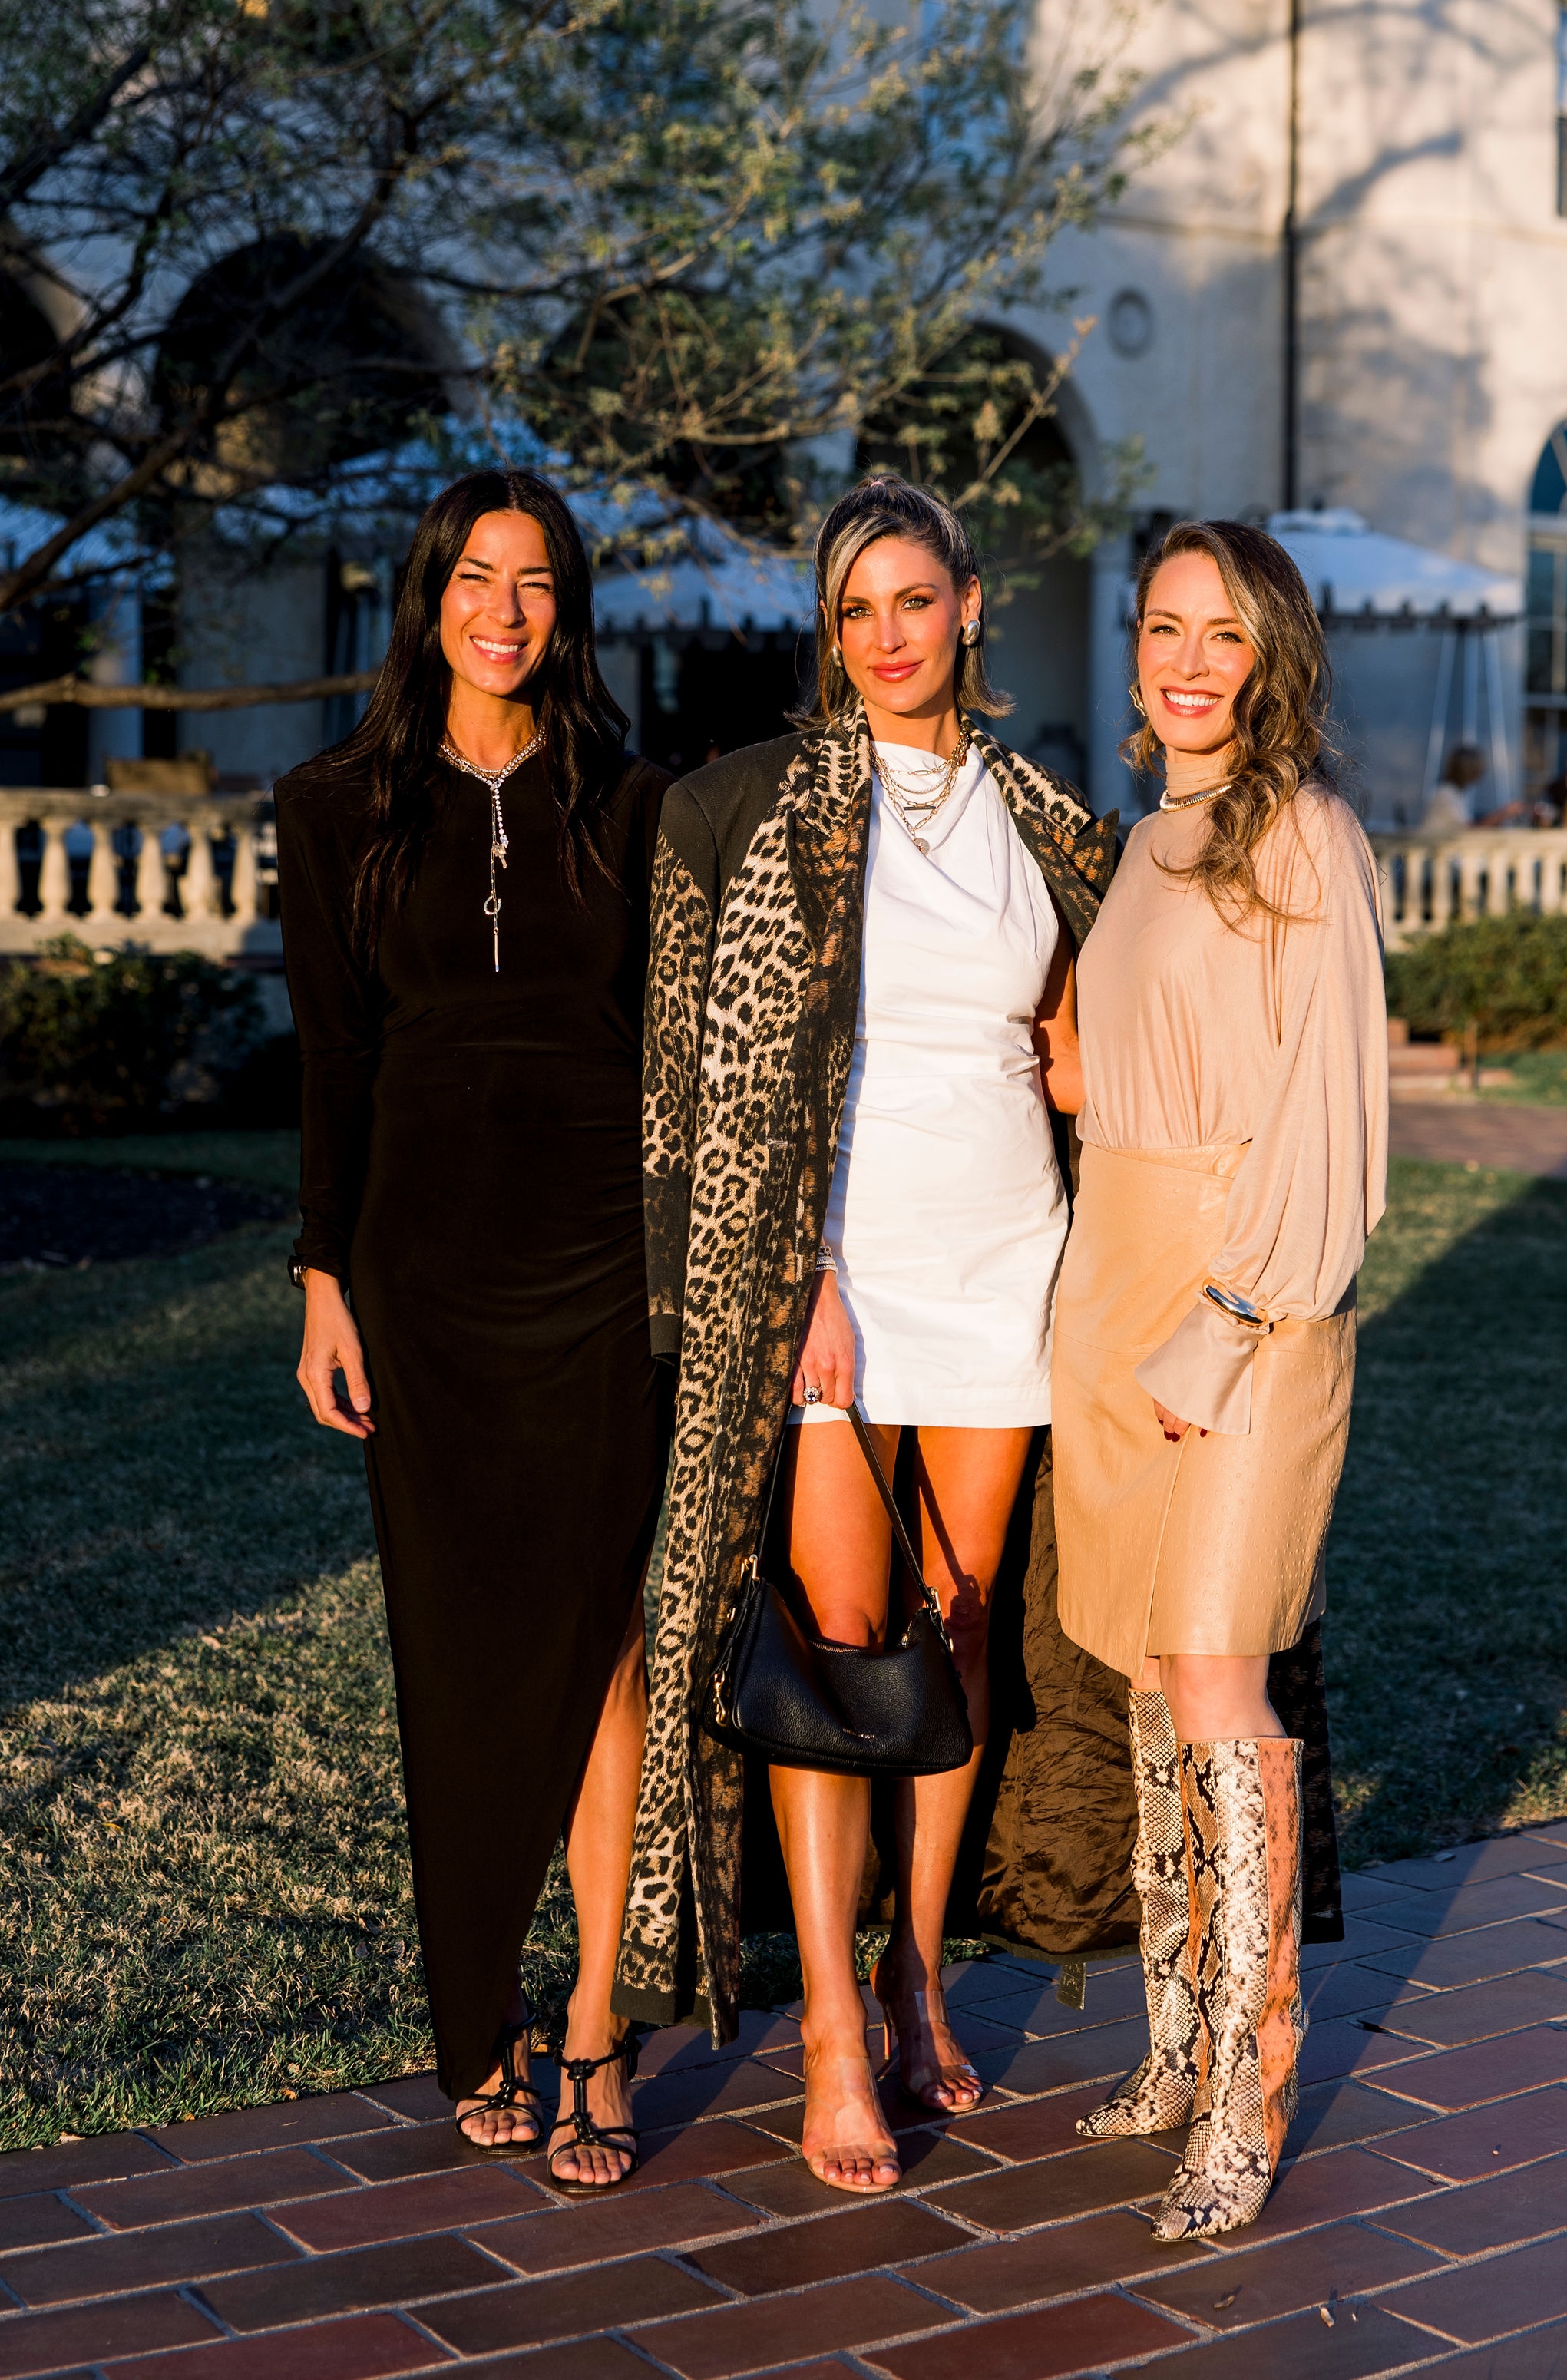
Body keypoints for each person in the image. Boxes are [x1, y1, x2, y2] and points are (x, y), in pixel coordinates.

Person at [617, 475, 1116, 2194]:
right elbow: (720, 1067)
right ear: (831, 639)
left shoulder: (1044, 815)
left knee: (960, 1633)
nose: (889, 635)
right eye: (856, 612)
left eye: (915, 600)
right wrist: (797, 1271)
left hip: (1003, 1258)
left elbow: (1067, 1036)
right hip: (835, 1268)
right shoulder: (768, 806)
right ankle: (829, 2022)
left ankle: (918, 1974)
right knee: (838, 1642)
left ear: (969, 605)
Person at [277, 468, 672, 2197]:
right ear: (429, 593)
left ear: (567, 612)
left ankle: (589, 2018)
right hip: (424, 1278)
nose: (503, 610)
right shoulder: (338, 806)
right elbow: (333, 1066)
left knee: (599, 1649)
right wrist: (320, 1284)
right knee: (454, 1652)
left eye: (536, 584)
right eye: (475, 578)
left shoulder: (633, 803)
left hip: (600, 1272)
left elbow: (678, 1047)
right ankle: (475, 2002)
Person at [1051, 519, 1387, 2242]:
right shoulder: (1146, 839)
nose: (1187, 661)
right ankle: (1176, 2035)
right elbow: (1134, 1058)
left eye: (1223, 636)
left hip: (1243, 1301)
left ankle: (1250, 2087)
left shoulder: (1305, 835)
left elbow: (1326, 1122)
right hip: (1110, 1279)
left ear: (1271, 660)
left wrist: (1225, 1318)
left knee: (1218, 1681)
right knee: (1141, 1676)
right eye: (1164, 628)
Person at [1422, 742, 1485, 835]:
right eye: (1476, 770)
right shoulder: (1445, 794)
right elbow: (1468, 829)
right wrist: (1504, 814)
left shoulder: (1458, 794)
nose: (1480, 774)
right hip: (1435, 847)